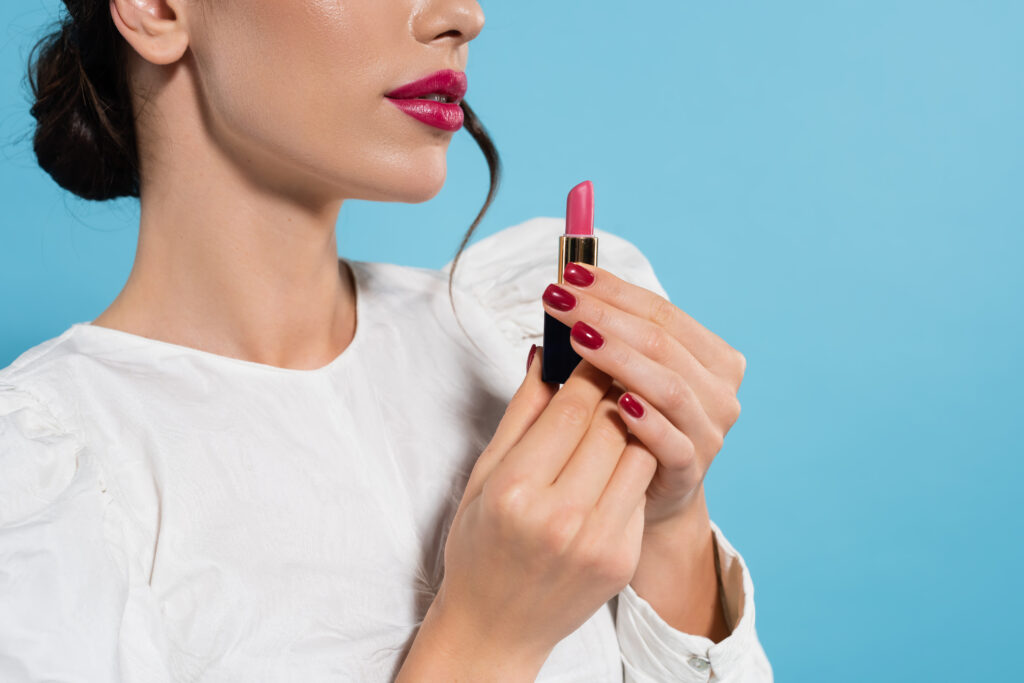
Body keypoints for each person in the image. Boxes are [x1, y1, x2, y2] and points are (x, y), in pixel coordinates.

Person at [0, 0, 774, 680]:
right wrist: (485, 638)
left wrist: (671, 527)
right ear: (159, 8)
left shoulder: (510, 335)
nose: (461, 14)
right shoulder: (46, 482)